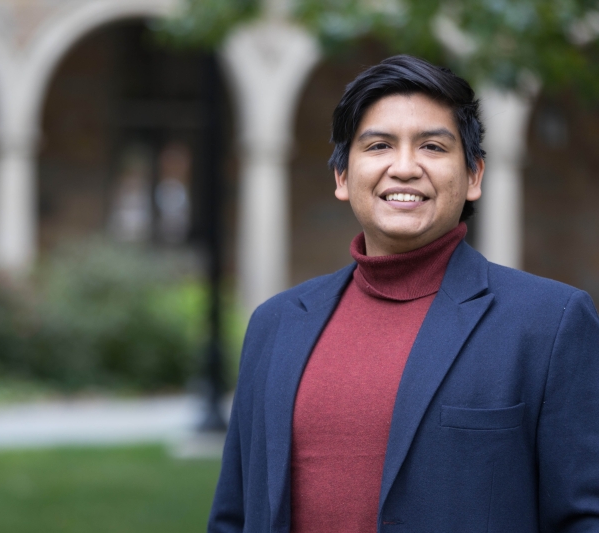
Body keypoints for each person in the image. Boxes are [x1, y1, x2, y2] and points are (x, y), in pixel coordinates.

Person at [207, 55, 599, 533]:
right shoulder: (275, 324)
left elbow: (583, 517)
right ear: (342, 176)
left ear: (474, 176)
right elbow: (234, 514)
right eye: (378, 145)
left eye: (433, 146)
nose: (405, 167)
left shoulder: (549, 323)